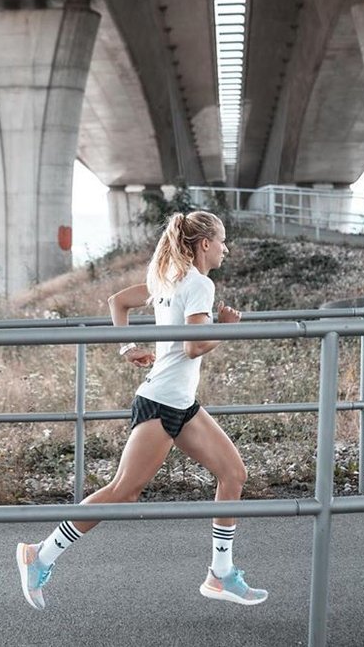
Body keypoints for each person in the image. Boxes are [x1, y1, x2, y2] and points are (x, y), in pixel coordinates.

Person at [16, 210, 268, 610]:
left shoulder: (168, 279)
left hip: (179, 403)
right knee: (124, 491)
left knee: (233, 473)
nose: (225, 248)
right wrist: (227, 326)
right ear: (205, 244)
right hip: (162, 402)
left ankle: (220, 575)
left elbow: (118, 302)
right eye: (221, 240)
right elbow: (194, 346)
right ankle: (39, 555)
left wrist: (126, 347)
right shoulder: (200, 283)